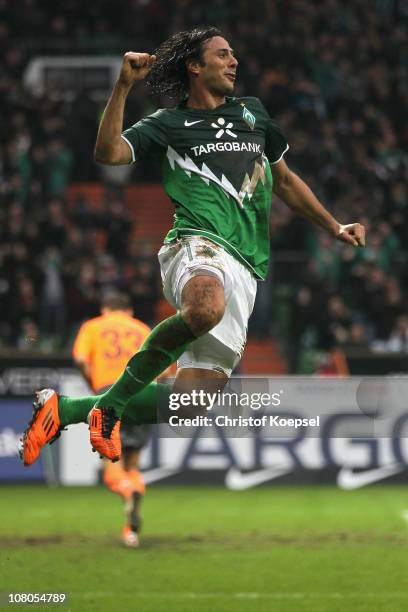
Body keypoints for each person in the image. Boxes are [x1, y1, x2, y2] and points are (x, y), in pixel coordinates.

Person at [21, 27, 365, 468]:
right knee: (204, 308)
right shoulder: (169, 124)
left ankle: (64, 410)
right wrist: (124, 86)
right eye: (223, 55)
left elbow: (287, 181)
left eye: (234, 54)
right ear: (195, 66)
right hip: (197, 243)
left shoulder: (254, 115)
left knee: (189, 404)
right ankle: (109, 410)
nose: (234, 61)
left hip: (246, 265)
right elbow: (108, 153)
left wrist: (333, 225)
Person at [72, 292, 151, 547]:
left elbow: (82, 360)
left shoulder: (93, 326)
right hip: (141, 394)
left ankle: (129, 491)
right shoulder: (142, 329)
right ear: (129, 311)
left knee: (111, 467)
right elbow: (166, 368)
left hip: (108, 394)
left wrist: (93, 387)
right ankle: (131, 530)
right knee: (132, 465)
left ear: (105, 309)